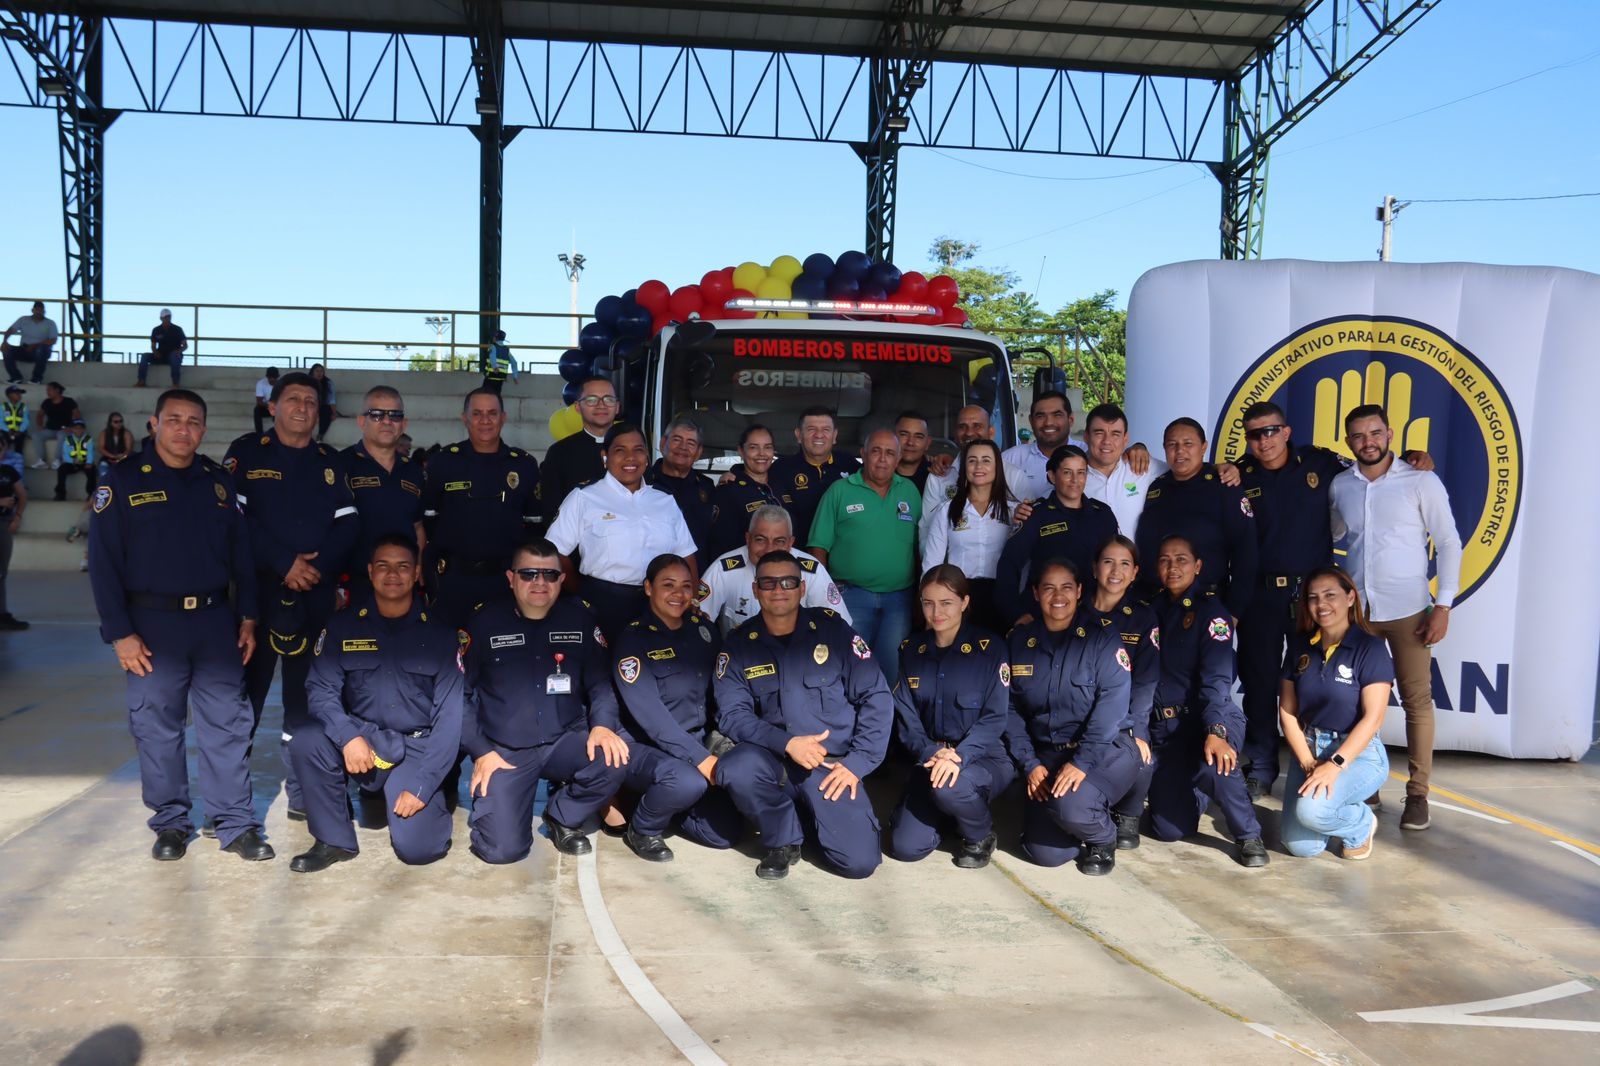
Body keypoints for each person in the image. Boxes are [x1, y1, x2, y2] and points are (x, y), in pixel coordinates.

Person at [88, 388, 273, 862]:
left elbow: (241, 558)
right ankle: (170, 823)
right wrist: (119, 633)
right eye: (174, 419)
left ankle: (235, 824)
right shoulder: (123, 480)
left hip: (214, 622)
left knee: (228, 725)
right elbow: (103, 562)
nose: (184, 429)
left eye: (193, 421)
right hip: (151, 627)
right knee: (157, 727)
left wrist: (249, 616)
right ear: (154, 424)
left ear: (204, 429)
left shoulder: (217, 482)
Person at [224, 371, 359, 820]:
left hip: (313, 597)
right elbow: (235, 522)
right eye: (294, 399)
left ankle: (303, 794)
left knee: (307, 704)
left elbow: (348, 523)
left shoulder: (330, 460)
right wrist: (285, 563)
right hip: (254, 600)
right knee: (243, 703)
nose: (303, 407)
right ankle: (228, 804)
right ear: (272, 406)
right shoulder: (245, 453)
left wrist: (314, 570)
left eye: (311, 401)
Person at [712, 550, 892, 880]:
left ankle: (810, 812)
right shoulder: (739, 645)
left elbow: (876, 697)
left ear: (801, 588)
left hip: (831, 764)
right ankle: (783, 840)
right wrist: (787, 743)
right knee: (736, 767)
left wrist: (857, 764)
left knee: (859, 863)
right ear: (755, 590)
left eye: (787, 582)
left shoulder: (834, 633)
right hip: (773, 760)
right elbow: (732, 716)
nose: (778, 589)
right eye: (768, 582)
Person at [289, 535, 463, 873]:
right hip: (361, 739)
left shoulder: (441, 635)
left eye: (402, 567)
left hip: (415, 748)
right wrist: (348, 735)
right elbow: (321, 691)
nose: (392, 574)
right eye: (383, 566)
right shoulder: (342, 627)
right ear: (370, 573)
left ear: (416, 575)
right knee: (307, 739)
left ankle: (408, 796)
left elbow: (450, 718)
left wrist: (423, 786)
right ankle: (333, 839)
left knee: (419, 850)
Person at [1330, 403, 1461, 832]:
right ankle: (1364, 782)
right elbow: (1334, 535)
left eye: (1374, 433)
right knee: (1356, 701)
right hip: (1360, 611)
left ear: (1388, 434)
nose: (1367, 442)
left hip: (1408, 609)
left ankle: (1418, 795)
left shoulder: (1421, 481)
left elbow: (1448, 542)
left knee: (1416, 701)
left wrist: (1442, 605)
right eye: (1357, 436)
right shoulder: (1339, 486)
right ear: (1348, 441)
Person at [462, 538, 629, 862]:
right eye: (529, 574)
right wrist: (480, 752)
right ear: (511, 578)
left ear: (561, 579)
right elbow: (459, 695)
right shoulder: (484, 623)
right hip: (505, 752)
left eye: (550, 575)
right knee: (502, 851)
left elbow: (600, 685)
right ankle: (500, 811)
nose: (540, 582)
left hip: (563, 739)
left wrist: (603, 727)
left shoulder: (580, 620)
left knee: (616, 756)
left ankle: (562, 815)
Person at [1003, 558, 1138, 875]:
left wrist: (1081, 763)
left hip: (1104, 750)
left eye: (1066, 587)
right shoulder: (1019, 642)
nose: (1057, 596)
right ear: (1036, 593)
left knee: (1071, 808)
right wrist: (1030, 763)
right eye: (1048, 588)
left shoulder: (1102, 639)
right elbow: (1007, 709)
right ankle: (1078, 809)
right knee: (1046, 854)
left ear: (1079, 591)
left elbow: (1110, 710)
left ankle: (1104, 836)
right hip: (1048, 754)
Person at [610, 554, 745, 860]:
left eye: (686, 586)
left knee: (723, 835)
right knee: (687, 780)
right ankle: (643, 828)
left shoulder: (704, 631)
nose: (679, 594)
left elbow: (720, 692)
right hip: (645, 746)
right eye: (668, 585)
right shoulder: (633, 640)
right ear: (648, 588)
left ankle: (665, 801)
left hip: (694, 742)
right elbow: (653, 719)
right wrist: (701, 759)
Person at [1145, 535, 1269, 867]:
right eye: (1165, 559)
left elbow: (1217, 682)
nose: (1173, 567)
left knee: (1218, 763)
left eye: (1181, 559)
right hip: (1167, 729)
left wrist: (1216, 730)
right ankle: (1194, 791)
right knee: (1167, 829)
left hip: (1207, 717)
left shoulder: (1212, 614)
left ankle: (1248, 835)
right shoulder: (1150, 611)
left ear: (1198, 566)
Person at [885, 564, 1014, 869]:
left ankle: (979, 834)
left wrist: (958, 756)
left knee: (948, 788)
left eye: (946, 603)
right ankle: (950, 811)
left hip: (983, 758)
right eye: (928, 603)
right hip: (930, 758)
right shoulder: (911, 650)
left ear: (965, 603)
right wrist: (933, 752)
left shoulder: (990, 649)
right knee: (906, 847)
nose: (936, 612)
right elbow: (906, 717)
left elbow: (995, 717)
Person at [1278, 567, 1393, 860]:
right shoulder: (1301, 645)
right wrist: (1307, 760)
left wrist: (1335, 765)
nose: (1321, 604)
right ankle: (1329, 811)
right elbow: (1287, 712)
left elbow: (1373, 718)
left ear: (1350, 597)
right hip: (1311, 746)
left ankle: (1360, 824)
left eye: (1331, 595)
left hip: (1358, 753)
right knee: (1301, 847)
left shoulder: (1371, 648)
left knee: (1312, 812)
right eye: (1314, 598)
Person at [547, 421, 698, 640]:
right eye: (620, 450)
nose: (630, 458)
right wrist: (580, 590)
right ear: (605, 457)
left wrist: (691, 600)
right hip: (603, 605)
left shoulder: (664, 500)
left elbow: (687, 555)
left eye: (638, 450)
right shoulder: (584, 497)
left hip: (658, 605)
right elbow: (555, 552)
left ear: (647, 457)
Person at [806, 428, 920, 685]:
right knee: (849, 665)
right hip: (851, 596)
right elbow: (817, 549)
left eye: (890, 453)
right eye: (876, 451)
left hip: (899, 599)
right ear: (863, 454)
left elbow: (922, 545)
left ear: (898, 458)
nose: (882, 459)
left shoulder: (910, 491)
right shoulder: (840, 491)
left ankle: (887, 724)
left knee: (892, 667)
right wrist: (826, 595)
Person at [421, 388, 541, 628]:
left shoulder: (524, 465)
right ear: (464, 418)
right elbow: (429, 522)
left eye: (492, 413)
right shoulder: (443, 463)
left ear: (503, 417)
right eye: (477, 414)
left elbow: (534, 528)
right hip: (454, 580)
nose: (485, 420)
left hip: (505, 582)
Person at [1134, 417, 1258, 618]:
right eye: (1172, 445)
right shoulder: (1156, 487)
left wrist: (1234, 611)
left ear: (1203, 447)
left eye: (1188, 444)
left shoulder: (1224, 486)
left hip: (1205, 604)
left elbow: (1246, 551)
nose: (1179, 451)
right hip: (1155, 606)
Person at [1083, 535, 1159, 851]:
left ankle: (1127, 813)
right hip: (1079, 714)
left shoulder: (1143, 618)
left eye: (1125, 564)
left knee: (1142, 757)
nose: (1116, 571)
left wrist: (1137, 729)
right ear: (1094, 568)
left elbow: (1145, 682)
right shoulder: (1074, 608)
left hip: (1122, 718)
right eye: (1108, 561)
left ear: (1135, 572)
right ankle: (1092, 808)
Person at [996, 444, 1119, 626]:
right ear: (1052, 476)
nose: (1075, 480)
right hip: (1045, 614)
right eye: (1067, 472)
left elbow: (1117, 561)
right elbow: (1009, 564)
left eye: (1081, 472)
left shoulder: (1102, 513)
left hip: (1095, 615)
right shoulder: (1035, 514)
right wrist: (1015, 613)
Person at [696, 504, 849, 634]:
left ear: (790, 542)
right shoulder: (723, 569)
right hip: (740, 658)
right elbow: (699, 622)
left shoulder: (811, 570)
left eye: (779, 541)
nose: (769, 550)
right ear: (748, 539)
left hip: (798, 658)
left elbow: (838, 625)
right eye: (760, 540)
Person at [918, 439, 1015, 635]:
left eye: (986, 460)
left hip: (1002, 595)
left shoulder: (1013, 511)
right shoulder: (947, 510)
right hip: (957, 596)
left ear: (997, 467)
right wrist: (930, 607)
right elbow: (932, 562)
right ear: (964, 468)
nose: (979, 466)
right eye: (972, 461)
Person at [343, 386, 425, 598]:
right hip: (353, 585)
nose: (387, 421)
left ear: (403, 424)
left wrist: (419, 566)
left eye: (395, 415)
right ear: (362, 421)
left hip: (402, 588)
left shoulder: (414, 471)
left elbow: (417, 527)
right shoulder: (340, 465)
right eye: (377, 414)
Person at [769, 406, 860, 546]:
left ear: (834, 436)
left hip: (843, 554)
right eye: (811, 429)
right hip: (796, 554)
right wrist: (736, 473)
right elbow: (754, 480)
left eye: (826, 430)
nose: (819, 435)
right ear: (798, 435)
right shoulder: (781, 469)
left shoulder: (851, 465)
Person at [539, 375, 615, 527]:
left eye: (608, 399)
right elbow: (552, 512)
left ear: (618, 406)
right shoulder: (559, 453)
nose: (601, 405)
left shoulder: (634, 450)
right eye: (592, 400)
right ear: (578, 407)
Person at [645, 416, 716, 570]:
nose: (683, 447)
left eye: (691, 443)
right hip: (650, 576)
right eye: (677, 440)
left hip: (698, 577)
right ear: (663, 443)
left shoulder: (708, 487)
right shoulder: (643, 483)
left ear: (698, 452)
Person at [1082, 403, 1165, 535]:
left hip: (1139, 556)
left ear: (1125, 439)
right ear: (1086, 436)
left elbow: (1184, 473)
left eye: (1115, 434)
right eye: (1099, 433)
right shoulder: (1074, 476)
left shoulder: (1142, 464)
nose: (1107, 441)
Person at [707, 423, 782, 559]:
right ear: (741, 451)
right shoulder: (729, 491)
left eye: (767, 447)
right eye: (753, 447)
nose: (762, 453)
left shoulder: (782, 484)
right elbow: (721, 545)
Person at [1001, 391, 1082, 502]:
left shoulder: (1087, 454)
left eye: (1057, 415)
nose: (1048, 422)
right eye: (1040, 416)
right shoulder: (1009, 460)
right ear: (1031, 421)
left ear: (1070, 419)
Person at [0, 433, 28, 630]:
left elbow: (21, 494)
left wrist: (17, 516)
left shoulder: (8, 471)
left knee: (1, 572)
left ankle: (2, 613)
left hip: (3, 522)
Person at [3, 301, 58, 384]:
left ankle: (36, 379)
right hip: (24, 349)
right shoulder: (23, 319)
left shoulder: (50, 323)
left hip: (41, 351)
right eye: (37, 310)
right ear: (32, 310)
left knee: (40, 350)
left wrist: (35, 346)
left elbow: (53, 340)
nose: (39, 312)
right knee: (6, 350)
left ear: (44, 311)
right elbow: (11, 330)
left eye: (41, 310)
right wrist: (4, 342)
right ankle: (16, 378)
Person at [32, 381, 81, 469]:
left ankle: (57, 460)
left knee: (61, 435)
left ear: (57, 390)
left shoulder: (68, 401)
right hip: (50, 429)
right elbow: (39, 415)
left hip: (65, 430)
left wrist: (72, 427)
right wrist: (40, 425)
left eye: (49, 390)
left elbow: (77, 415)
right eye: (47, 390)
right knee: (36, 435)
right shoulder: (46, 402)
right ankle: (41, 461)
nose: (47, 392)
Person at [138, 309, 188, 388]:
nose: (167, 319)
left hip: (174, 356)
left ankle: (175, 383)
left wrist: (179, 351)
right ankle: (141, 381)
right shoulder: (156, 330)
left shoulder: (178, 329)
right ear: (161, 318)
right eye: (165, 317)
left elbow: (185, 345)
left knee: (174, 356)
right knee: (144, 356)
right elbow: (153, 345)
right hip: (161, 355)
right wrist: (155, 352)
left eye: (168, 317)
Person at [893, 410, 935, 495]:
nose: (910, 442)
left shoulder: (937, 476)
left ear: (927, 443)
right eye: (904, 434)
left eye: (918, 437)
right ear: (892, 438)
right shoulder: (876, 472)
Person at [53, 417, 95, 501]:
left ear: (84, 429)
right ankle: (60, 494)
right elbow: (65, 454)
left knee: (92, 471)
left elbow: (90, 452)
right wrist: (72, 461)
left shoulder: (88, 439)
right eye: (76, 428)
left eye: (81, 428)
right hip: (72, 463)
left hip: (85, 463)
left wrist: (89, 462)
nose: (79, 430)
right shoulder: (68, 440)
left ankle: (91, 494)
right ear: (72, 429)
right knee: (61, 469)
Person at [480, 329, 520, 395]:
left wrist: (495, 367)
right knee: (496, 395)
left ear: (495, 338)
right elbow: (514, 363)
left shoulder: (493, 347)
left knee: (485, 395)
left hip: (492, 375)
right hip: (501, 377)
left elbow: (492, 357)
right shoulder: (506, 350)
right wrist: (515, 376)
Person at [96, 411, 133, 476]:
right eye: (116, 422)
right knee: (104, 474)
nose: (119, 423)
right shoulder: (104, 433)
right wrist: (112, 456)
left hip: (123, 459)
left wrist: (121, 456)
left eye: (121, 421)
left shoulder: (126, 433)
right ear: (110, 423)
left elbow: (129, 449)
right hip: (107, 459)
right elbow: (101, 448)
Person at [309, 363, 340, 442]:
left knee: (326, 412)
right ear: (312, 372)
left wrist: (334, 413)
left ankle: (320, 435)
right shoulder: (307, 382)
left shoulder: (328, 383)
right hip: (309, 404)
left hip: (322, 406)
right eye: (317, 371)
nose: (319, 373)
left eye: (321, 371)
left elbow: (331, 399)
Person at [2, 385, 30, 458]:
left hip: (19, 432)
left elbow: (26, 421)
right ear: (10, 395)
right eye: (17, 393)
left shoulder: (24, 407)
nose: (20, 395)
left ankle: (18, 465)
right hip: (6, 432)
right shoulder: (3, 407)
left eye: (20, 394)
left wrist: (20, 431)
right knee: (3, 445)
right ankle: (4, 464)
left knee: (19, 448)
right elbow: (0, 421)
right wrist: (8, 430)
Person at [252, 368, 279, 436]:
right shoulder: (261, 383)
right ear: (267, 377)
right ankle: (259, 434)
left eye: (274, 378)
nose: (272, 379)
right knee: (257, 410)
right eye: (270, 378)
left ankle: (279, 432)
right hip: (266, 407)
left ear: (277, 377)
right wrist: (270, 406)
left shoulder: (281, 384)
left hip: (278, 407)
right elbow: (259, 401)